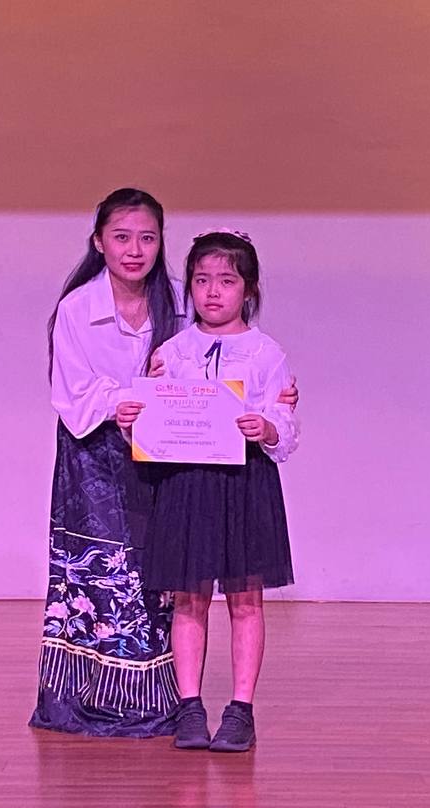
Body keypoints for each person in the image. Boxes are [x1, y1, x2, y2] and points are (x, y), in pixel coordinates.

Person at [30, 187, 186, 737]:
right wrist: (131, 399)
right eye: (122, 237)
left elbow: (208, 368)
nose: (134, 250)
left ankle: (161, 697)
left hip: (163, 453)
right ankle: (87, 697)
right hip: (93, 456)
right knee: (99, 574)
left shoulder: (179, 302)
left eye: (147, 238)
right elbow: (73, 391)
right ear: (99, 242)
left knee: (158, 573)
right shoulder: (77, 308)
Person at [138, 230, 298, 752]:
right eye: (202, 280)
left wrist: (266, 427)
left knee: (245, 600)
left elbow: (284, 423)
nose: (212, 292)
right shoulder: (172, 351)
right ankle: (189, 707)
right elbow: (153, 417)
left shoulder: (266, 352)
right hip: (187, 484)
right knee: (189, 599)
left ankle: (240, 710)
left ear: (248, 289)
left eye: (226, 281)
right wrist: (141, 405)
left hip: (243, 483)